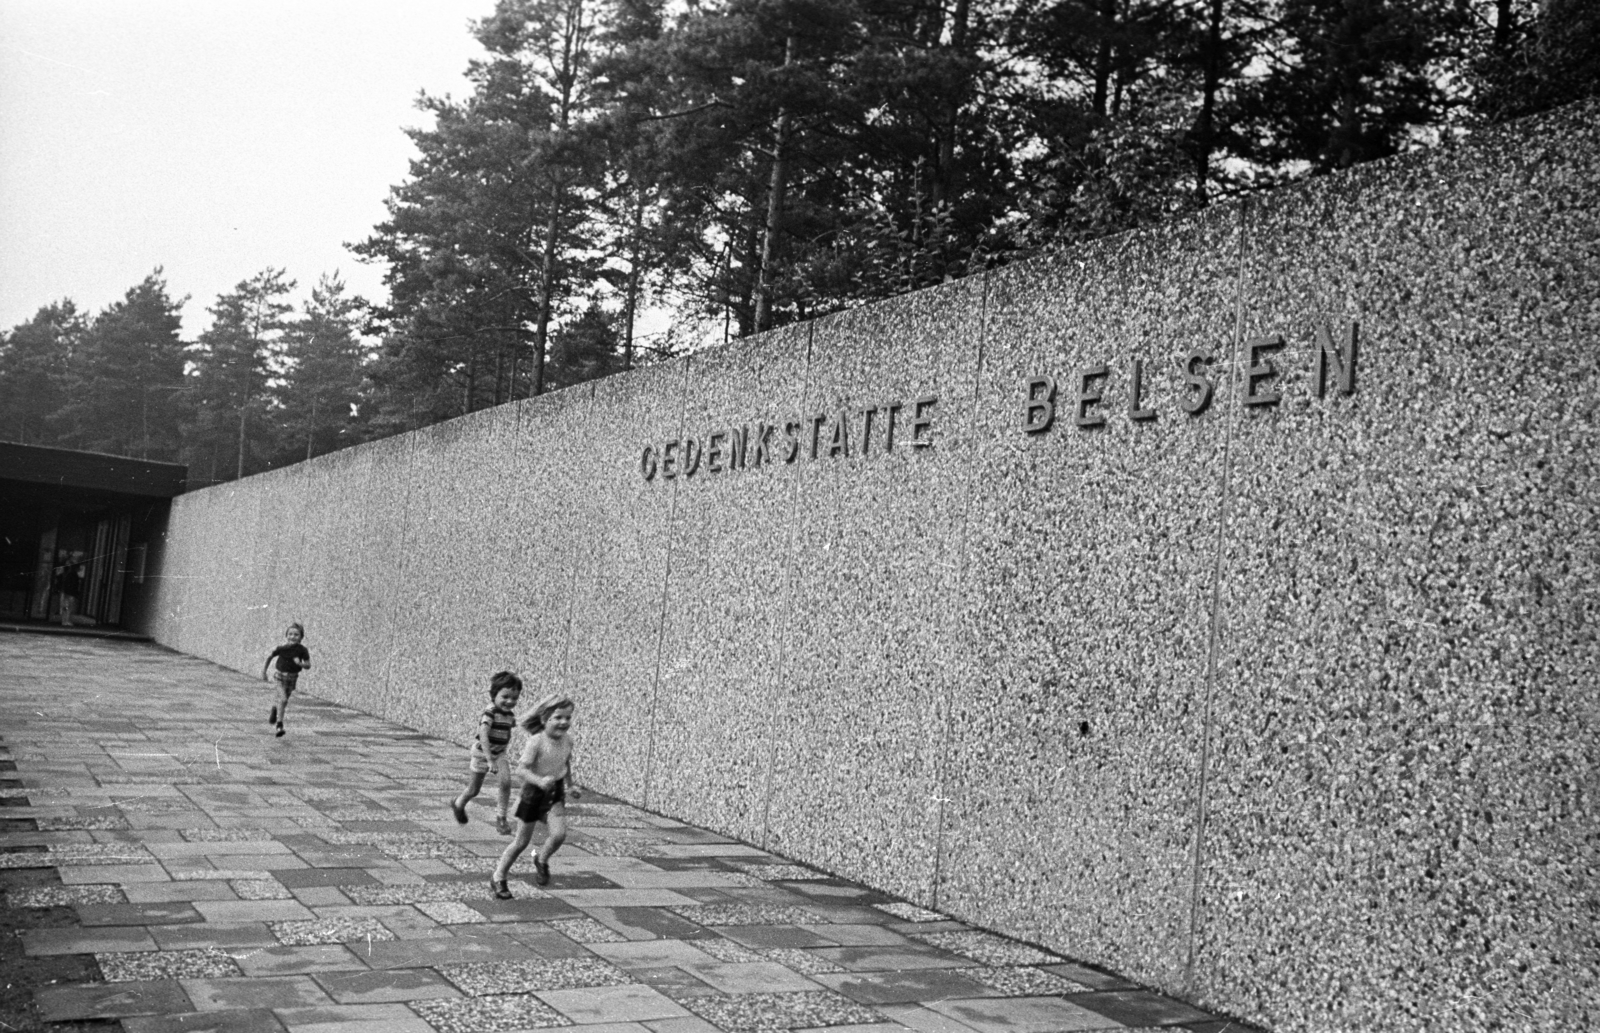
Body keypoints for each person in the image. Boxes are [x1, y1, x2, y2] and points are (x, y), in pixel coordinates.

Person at [490, 693, 579, 898]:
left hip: (555, 793)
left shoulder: (568, 741)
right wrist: (539, 781)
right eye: (558, 717)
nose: (564, 722)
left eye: (567, 717)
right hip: (533, 794)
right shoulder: (536, 742)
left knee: (559, 835)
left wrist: (570, 785)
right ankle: (498, 876)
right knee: (521, 842)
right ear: (544, 719)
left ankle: (542, 859)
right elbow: (521, 770)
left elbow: (565, 763)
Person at [450, 671, 523, 834]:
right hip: (482, 754)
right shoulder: (490, 712)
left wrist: (501, 752)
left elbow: (508, 731)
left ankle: (501, 818)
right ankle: (459, 804)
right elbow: (483, 734)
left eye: (514, 698)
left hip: (499, 754)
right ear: (494, 695)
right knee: (474, 789)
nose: (510, 701)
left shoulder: (509, 715)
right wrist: (489, 759)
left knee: (506, 782)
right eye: (505, 697)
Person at [261, 622, 310, 738]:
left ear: (301, 637)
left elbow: (308, 665)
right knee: (283, 699)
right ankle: (279, 725)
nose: (293, 637)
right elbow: (269, 657)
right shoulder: (282, 649)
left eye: (296, 635)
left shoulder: (302, 650)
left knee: (284, 701)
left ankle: (274, 708)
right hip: (280, 677)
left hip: (292, 678)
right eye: (290, 634)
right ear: (286, 636)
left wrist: (300, 664)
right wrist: (264, 671)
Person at [55, 551, 83, 627]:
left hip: (66, 591)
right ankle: (65, 620)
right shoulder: (72, 574)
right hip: (69, 592)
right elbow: (75, 584)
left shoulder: (66, 573)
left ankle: (65, 620)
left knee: (66, 607)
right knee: (67, 607)